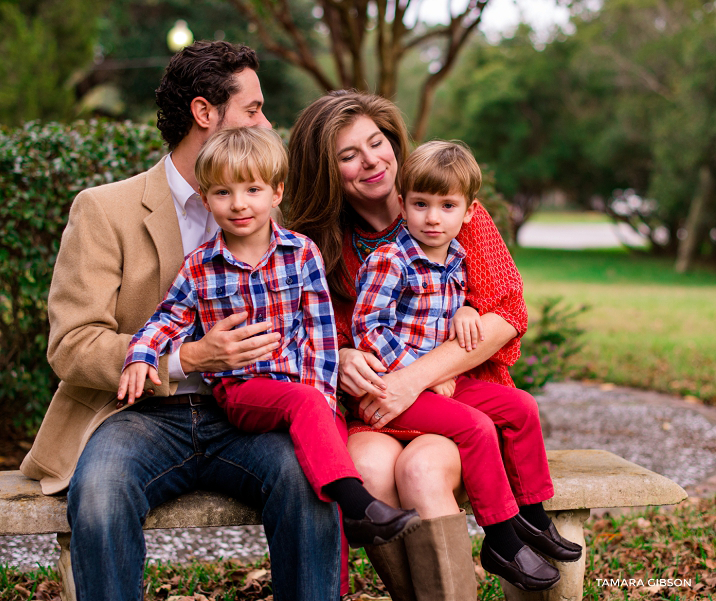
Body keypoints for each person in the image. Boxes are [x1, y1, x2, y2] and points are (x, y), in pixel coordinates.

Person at [20, 41, 345, 601]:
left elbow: (309, 319)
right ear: (204, 113)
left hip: (249, 411)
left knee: (308, 480)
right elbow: (72, 344)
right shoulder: (104, 209)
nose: (265, 122)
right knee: (98, 493)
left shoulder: (264, 202)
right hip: (138, 414)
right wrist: (187, 358)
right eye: (252, 109)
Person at [119, 126, 421, 548]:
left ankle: (340, 567)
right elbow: (167, 319)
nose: (239, 204)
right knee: (318, 429)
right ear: (205, 200)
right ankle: (357, 502)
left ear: (276, 192)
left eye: (252, 190)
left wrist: (324, 400)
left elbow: (320, 334)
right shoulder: (201, 266)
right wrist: (141, 355)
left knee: (329, 445)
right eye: (222, 193)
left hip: (305, 393)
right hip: (243, 392)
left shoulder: (301, 253)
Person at [284, 91, 529, 601]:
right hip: (374, 407)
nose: (371, 160)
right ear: (327, 172)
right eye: (348, 155)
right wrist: (343, 356)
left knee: (421, 468)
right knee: (369, 470)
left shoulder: (449, 210)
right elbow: (298, 334)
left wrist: (412, 378)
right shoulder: (314, 243)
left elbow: (507, 315)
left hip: (455, 395)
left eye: (377, 143)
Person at [351, 140, 582, 592]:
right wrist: (418, 377)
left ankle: (533, 515)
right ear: (402, 204)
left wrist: (467, 312)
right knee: (476, 428)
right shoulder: (389, 260)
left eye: (446, 206)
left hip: (442, 382)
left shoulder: (456, 257)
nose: (432, 217)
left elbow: (488, 309)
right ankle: (500, 538)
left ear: (469, 212)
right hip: (392, 389)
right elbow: (367, 327)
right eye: (420, 204)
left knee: (519, 408)